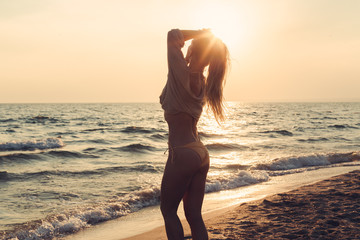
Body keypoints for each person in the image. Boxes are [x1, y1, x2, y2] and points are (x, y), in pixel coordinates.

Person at [159, 28, 229, 240]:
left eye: (190, 46)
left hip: (182, 153)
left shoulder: (181, 73)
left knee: (169, 211)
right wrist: (202, 40)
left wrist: (200, 33)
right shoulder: (202, 82)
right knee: (194, 215)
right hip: (200, 153)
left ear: (193, 51)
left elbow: (173, 36)